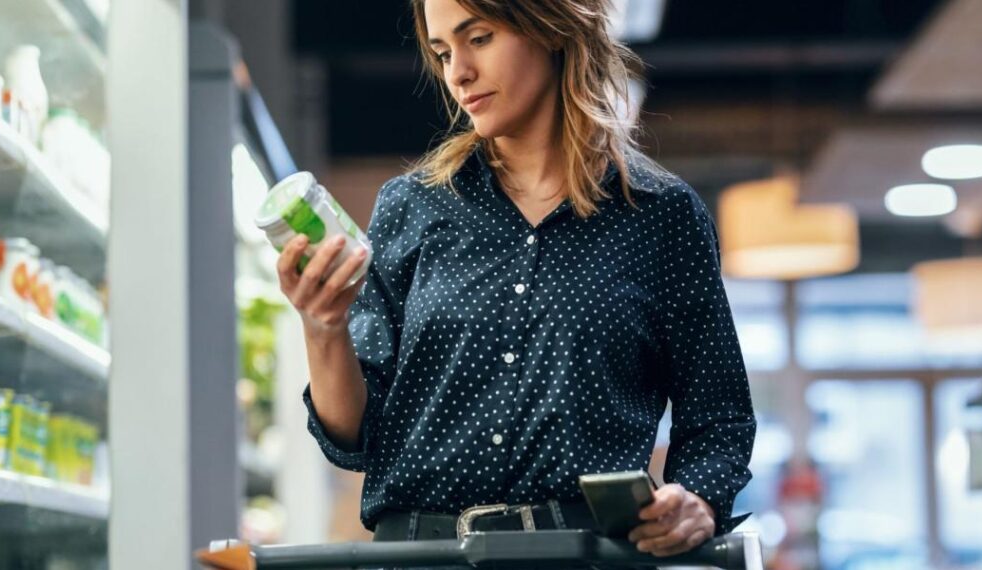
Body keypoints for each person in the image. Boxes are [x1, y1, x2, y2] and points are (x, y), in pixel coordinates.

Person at [275, 0, 756, 565]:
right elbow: (351, 438)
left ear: (550, 27)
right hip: (423, 556)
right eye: (442, 51)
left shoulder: (660, 216)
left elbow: (719, 418)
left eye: (478, 38)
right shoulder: (412, 208)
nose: (458, 73)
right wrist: (323, 327)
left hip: (584, 554)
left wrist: (699, 499)